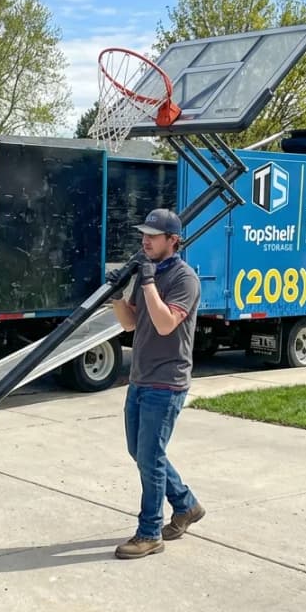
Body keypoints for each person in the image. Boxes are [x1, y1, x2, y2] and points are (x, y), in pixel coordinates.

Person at [109, 208, 205, 559]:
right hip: (140, 377)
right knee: (142, 453)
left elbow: (166, 324)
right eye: (143, 235)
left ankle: (150, 532)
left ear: (173, 240)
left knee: (150, 456)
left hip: (167, 382)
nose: (145, 240)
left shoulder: (184, 279)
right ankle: (186, 504)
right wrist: (118, 296)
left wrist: (147, 281)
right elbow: (131, 324)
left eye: (153, 235)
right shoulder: (148, 273)